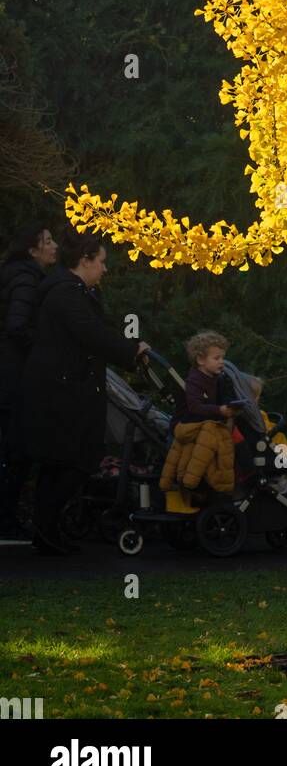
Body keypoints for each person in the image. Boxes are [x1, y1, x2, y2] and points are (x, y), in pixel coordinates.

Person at [17, 230, 148, 555]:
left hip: (64, 389)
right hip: (63, 392)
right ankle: (46, 528)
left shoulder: (71, 292)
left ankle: (46, 529)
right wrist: (131, 351)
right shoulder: (66, 295)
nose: (104, 269)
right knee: (75, 459)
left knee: (61, 462)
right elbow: (92, 334)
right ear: (85, 261)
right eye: (101, 262)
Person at [0, 223, 58, 542]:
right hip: (14, 377)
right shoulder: (26, 279)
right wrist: (48, 347)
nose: (55, 246)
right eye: (47, 241)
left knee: (13, 449)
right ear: (33, 250)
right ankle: (6, 520)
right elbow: (17, 327)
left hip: (10, 374)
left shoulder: (21, 275)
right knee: (16, 450)